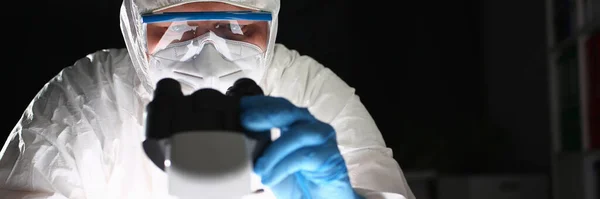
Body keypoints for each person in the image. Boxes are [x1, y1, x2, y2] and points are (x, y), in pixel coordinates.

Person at [0, 0, 415, 198]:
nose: (210, 56)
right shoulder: (86, 101)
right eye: (179, 28)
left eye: (237, 27)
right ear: (135, 28)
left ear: (268, 23)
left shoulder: (311, 93)